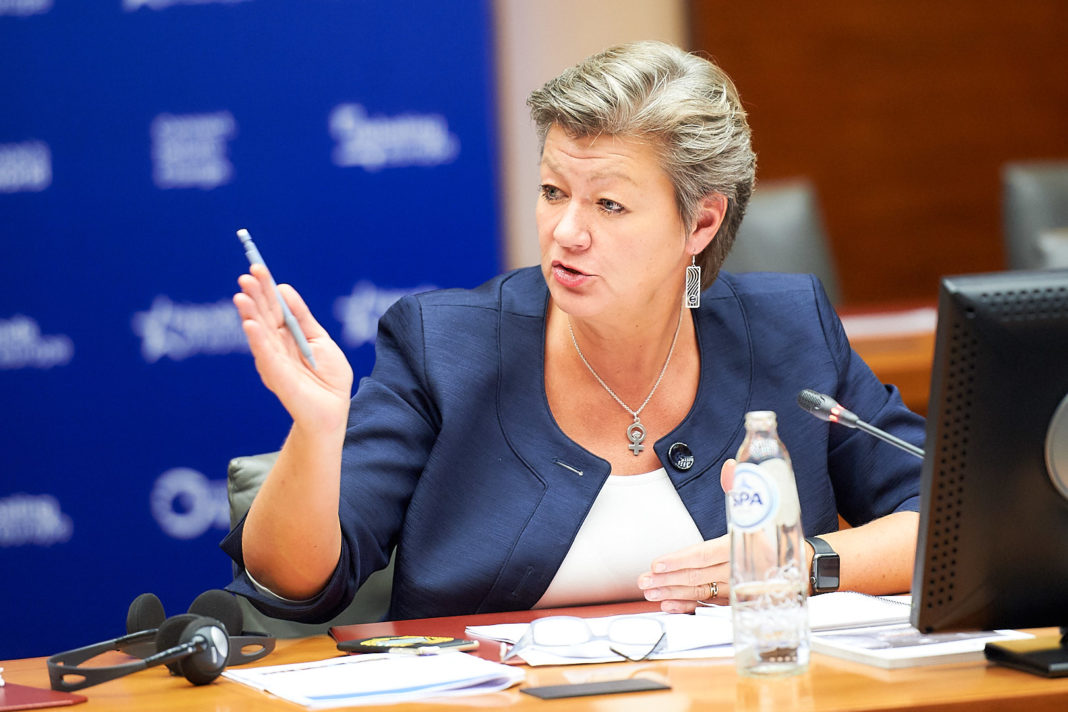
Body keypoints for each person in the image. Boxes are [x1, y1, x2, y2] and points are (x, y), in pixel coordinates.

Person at [222, 40, 923, 623]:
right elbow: (295, 582)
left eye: (609, 204)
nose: (566, 232)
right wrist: (316, 429)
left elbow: (945, 517)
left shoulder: (789, 330)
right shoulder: (443, 346)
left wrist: (800, 564)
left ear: (701, 223)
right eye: (553, 191)